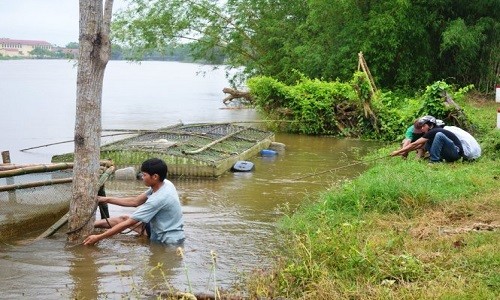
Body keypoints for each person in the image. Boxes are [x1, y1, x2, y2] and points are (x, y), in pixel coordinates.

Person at [83, 158, 185, 246]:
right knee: (123, 218)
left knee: (126, 222)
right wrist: (106, 199)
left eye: (144, 175)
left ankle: (91, 229)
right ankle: (86, 225)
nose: (142, 177)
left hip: (167, 240)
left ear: (155, 177)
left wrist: (99, 237)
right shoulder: (165, 183)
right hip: (158, 228)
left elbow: (129, 223)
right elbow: (135, 201)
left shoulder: (158, 199)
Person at [391, 115, 464, 163]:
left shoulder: (434, 131)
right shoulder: (430, 133)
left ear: (431, 125)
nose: (422, 128)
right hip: (449, 155)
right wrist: (403, 152)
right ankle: (439, 159)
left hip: (456, 153)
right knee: (427, 143)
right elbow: (418, 146)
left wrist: (397, 152)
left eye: (424, 126)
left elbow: (414, 144)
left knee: (439, 135)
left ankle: (434, 161)